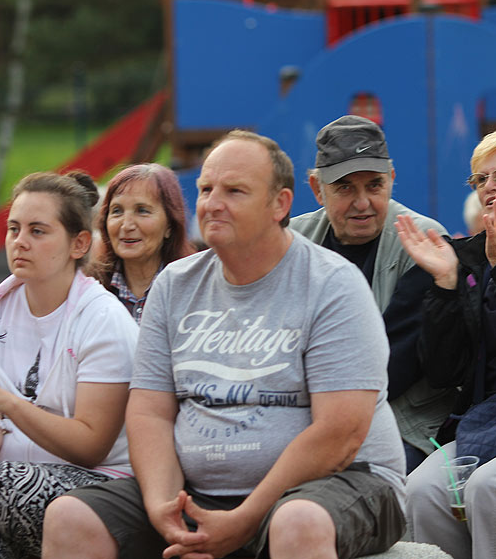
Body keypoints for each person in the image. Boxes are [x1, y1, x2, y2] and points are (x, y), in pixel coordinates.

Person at [42, 130, 406, 559]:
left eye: (234, 191)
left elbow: (339, 434)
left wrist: (246, 517)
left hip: (343, 482)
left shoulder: (332, 285)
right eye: (205, 189)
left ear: (280, 205)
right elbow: (149, 412)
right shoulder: (175, 285)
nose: (213, 203)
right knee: (70, 517)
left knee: (297, 521)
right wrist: (164, 509)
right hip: (201, 492)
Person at [0, 170, 139, 558]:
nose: (20, 242)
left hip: (100, 485)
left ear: (78, 243)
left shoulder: (102, 319)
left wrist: (7, 402)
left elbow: (91, 447)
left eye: (38, 231)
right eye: (13, 229)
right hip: (3, 478)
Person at [291, 115, 455, 472]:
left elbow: (393, 369)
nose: (362, 202)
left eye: (374, 185)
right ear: (317, 189)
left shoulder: (423, 241)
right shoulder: (291, 242)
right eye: (345, 187)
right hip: (305, 415)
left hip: (402, 424)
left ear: (392, 181)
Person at [396, 126, 496, 559]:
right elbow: (444, 372)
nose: (489, 187)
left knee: (492, 486)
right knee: (420, 491)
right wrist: (446, 287)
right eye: (479, 180)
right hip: (490, 422)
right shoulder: (467, 258)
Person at [87, 163, 195, 324]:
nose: (126, 225)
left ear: (170, 226)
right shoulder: (90, 290)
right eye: (117, 211)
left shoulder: (193, 290)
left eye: (142, 211)